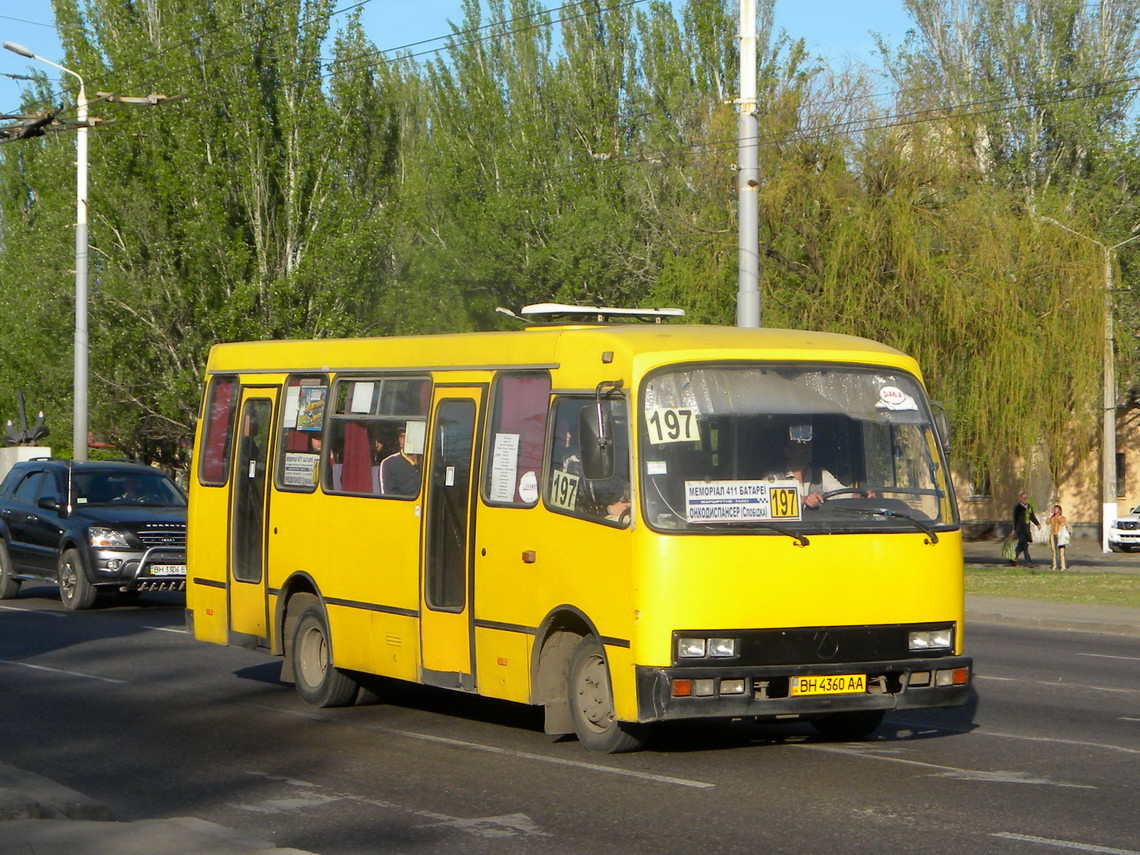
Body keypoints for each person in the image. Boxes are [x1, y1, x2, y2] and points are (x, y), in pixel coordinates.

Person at [770, 436, 870, 509]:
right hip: (785, 533)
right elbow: (767, 502)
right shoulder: (773, 478)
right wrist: (802, 499)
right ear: (787, 451)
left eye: (809, 445)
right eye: (801, 445)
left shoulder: (821, 474)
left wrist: (860, 495)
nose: (807, 449)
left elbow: (841, 493)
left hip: (819, 530)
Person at [379, 428, 421, 497]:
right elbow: (388, 497)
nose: (406, 440)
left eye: (410, 436)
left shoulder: (427, 461)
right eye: (402, 436)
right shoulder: (389, 464)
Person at [1011, 491, 1039, 567]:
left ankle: (1012, 559)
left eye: (1026, 498)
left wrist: (1037, 524)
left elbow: (1032, 516)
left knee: (1020, 546)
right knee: (1025, 545)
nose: (1025, 500)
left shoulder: (1029, 507)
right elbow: (1015, 519)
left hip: (1026, 530)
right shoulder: (1018, 508)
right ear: (1020, 499)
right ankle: (1028, 562)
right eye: (1024, 498)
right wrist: (1014, 529)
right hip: (1020, 529)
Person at [1046, 504, 1069, 571]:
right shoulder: (1052, 517)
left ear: (1059, 510)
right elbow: (1047, 522)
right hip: (1053, 535)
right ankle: (1054, 566)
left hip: (1060, 536)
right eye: (1054, 509)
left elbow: (1063, 524)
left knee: (1061, 552)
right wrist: (1049, 516)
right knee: (1053, 551)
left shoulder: (1062, 518)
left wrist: (1059, 519)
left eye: (1056, 509)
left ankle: (1063, 567)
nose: (1054, 510)